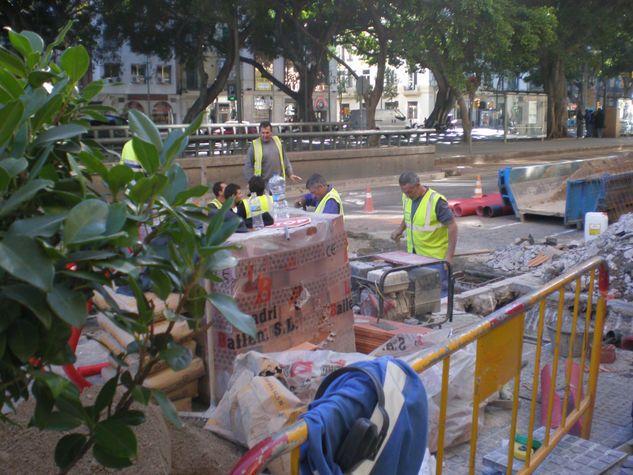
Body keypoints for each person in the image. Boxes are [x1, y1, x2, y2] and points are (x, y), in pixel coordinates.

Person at [390, 171, 458, 297]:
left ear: (418, 185)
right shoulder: (406, 197)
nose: (407, 195)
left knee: (439, 297)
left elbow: (452, 227)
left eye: (409, 192)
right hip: (414, 257)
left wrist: (450, 256)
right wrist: (400, 229)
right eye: (404, 192)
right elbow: (409, 215)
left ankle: (442, 316)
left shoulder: (436, 201)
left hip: (435, 260)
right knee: (420, 295)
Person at [244, 120, 302, 185]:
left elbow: (285, 160)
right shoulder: (254, 145)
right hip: (262, 184)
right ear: (260, 132)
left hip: (278, 183)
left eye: (267, 133)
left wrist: (290, 174)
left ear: (271, 132)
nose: (265, 135)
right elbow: (248, 166)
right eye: (263, 133)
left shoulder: (277, 142)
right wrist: (251, 181)